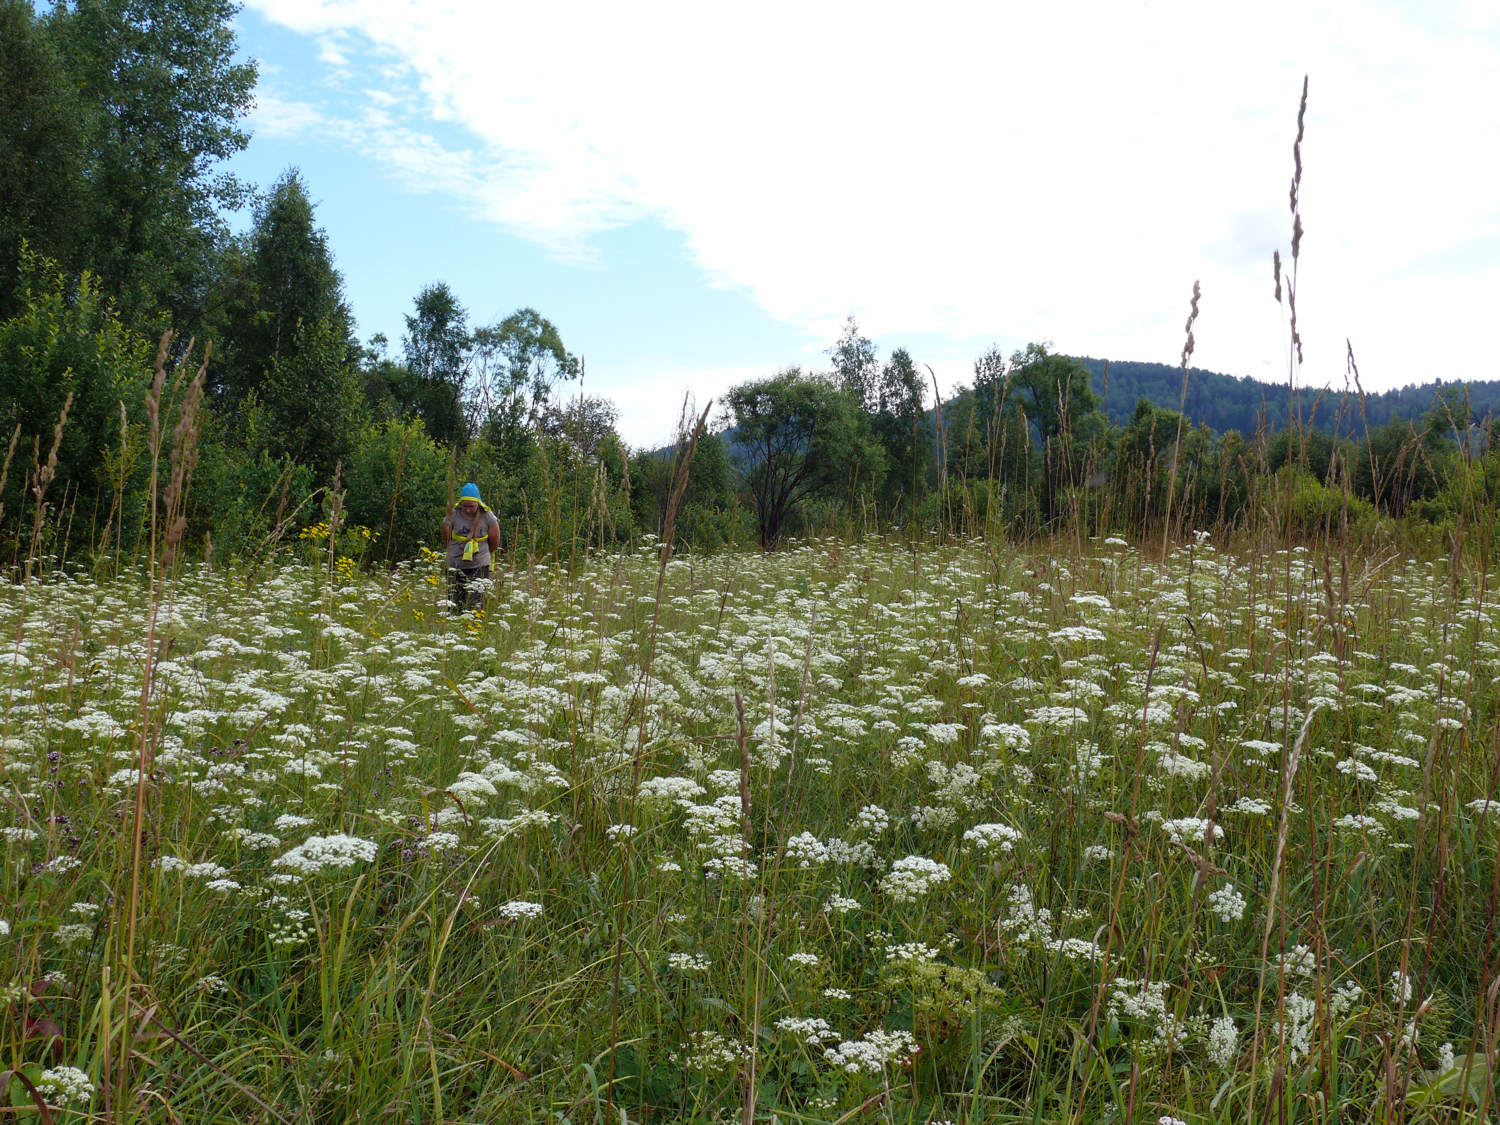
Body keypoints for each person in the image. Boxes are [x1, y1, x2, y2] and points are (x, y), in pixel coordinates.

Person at [442, 483, 500, 613]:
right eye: (464, 506)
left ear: (478, 504)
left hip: (479, 566)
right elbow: (447, 539)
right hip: (454, 565)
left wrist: (480, 555)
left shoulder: (488, 517)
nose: (467, 510)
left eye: (471, 507)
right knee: (454, 603)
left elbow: (494, 544)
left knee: (476, 603)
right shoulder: (452, 515)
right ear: (460, 504)